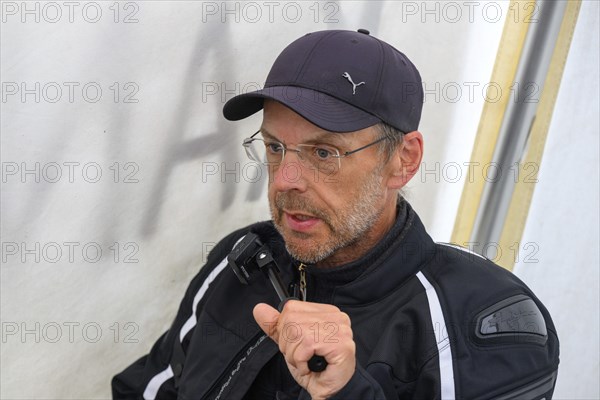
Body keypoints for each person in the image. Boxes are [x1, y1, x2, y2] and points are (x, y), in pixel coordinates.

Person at [112, 29, 559, 400]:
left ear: (403, 159)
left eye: (324, 152)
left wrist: (345, 391)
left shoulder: (485, 321)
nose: (286, 179)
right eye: (274, 146)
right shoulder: (242, 262)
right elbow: (148, 390)